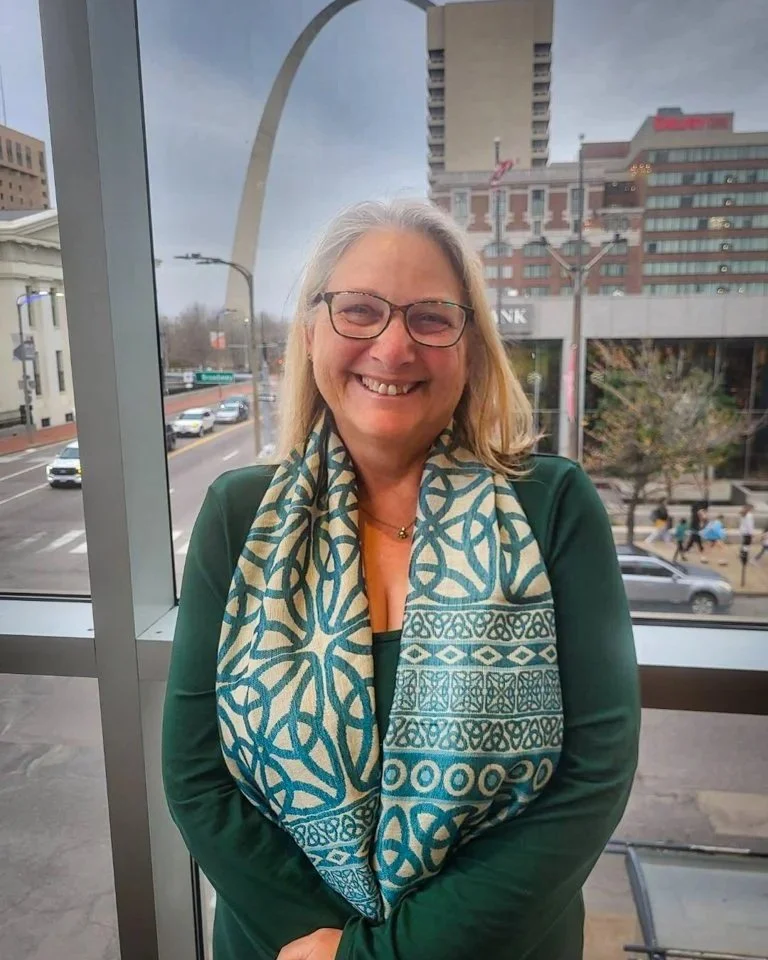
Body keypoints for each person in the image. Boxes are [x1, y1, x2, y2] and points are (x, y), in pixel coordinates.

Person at [162, 200, 640, 960]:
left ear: (470, 348)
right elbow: (197, 774)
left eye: (430, 318)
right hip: (284, 946)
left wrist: (372, 956)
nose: (392, 345)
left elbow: (590, 779)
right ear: (312, 332)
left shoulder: (553, 507)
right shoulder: (236, 515)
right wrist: (314, 942)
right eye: (359, 311)